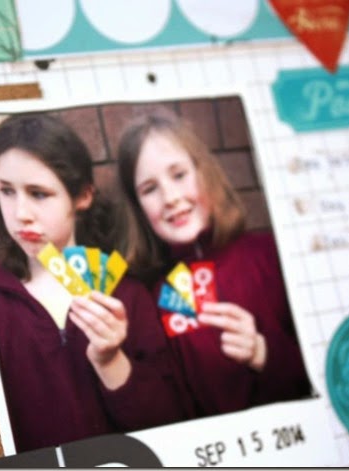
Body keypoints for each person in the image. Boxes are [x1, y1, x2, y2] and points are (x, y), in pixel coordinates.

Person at [0, 113, 188, 453]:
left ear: (82, 197)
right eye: (7, 191)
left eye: (39, 193)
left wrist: (111, 361)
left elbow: (170, 423)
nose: (21, 214)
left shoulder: (128, 294)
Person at [116, 112, 312, 418]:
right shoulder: (156, 298)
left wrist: (263, 352)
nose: (170, 197)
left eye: (179, 175)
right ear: (138, 208)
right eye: (149, 189)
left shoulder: (272, 255)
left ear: (204, 172)